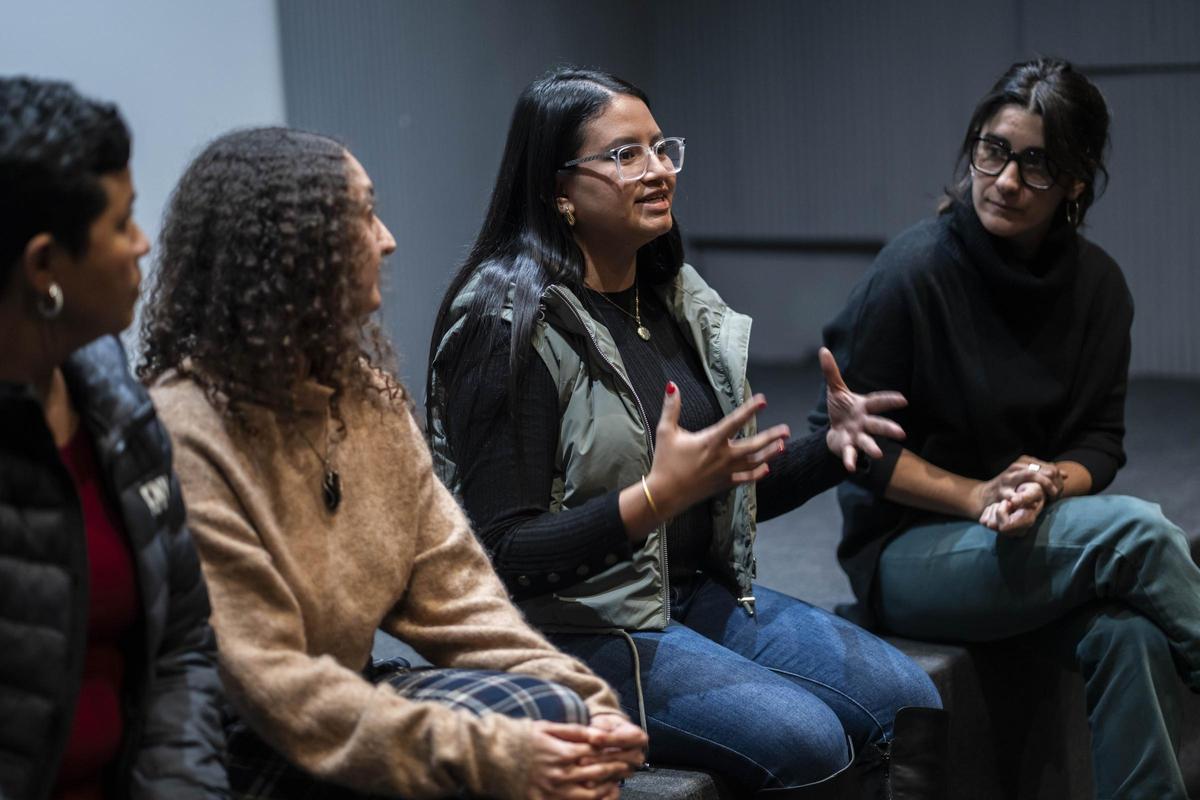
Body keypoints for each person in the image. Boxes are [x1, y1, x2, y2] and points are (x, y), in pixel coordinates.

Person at [427, 67, 945, 798]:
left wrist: (831, 449)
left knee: (909, 701)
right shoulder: (507, 326)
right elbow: (500, 555)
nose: (659, 170)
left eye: (660, 147)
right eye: (624, 155)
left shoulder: (665, 300)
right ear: (557, 191)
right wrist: (651, 500)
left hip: (685, 594)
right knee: (810, 741)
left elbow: (717, 495)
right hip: (569, 632)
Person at [139, 126, 646, 800]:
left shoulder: (365, 397)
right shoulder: (187, 426)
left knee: (564, 720)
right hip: (236, 745)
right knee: (529, 747)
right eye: (363, 215)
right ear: (287, 250)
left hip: (347, 697)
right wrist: (493, 756)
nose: (388, 238)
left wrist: (589, 701)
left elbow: (460, 596)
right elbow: (274, 684)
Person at [811, 57, 1200, 799]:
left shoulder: (1099, 289)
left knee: (1131, 634)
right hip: (908, 553)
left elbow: (1098, 442)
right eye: (993, 150)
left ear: (1077, 182)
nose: (1006, 179)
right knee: (1143, 535)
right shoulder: (912, 273)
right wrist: (979, 495)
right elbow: (855, 446)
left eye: (1036, 164)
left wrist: (1049, 481)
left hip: (1028, 537)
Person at [0, 77, 228, 798]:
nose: (143, 243)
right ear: (45, 269)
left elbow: (182, 645)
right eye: (122, 222)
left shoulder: (117, 406)